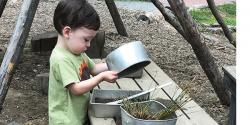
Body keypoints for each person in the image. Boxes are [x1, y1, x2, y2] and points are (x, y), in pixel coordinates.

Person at [48, 0, 118, 124]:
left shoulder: (77, 53)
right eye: (86, 39)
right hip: (66, 121)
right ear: (67, 32)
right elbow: (76, 89)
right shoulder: (61, 59)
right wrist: (101, 77)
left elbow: (94, 69)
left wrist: (115, 63)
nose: (89, 45)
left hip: (78, 115)